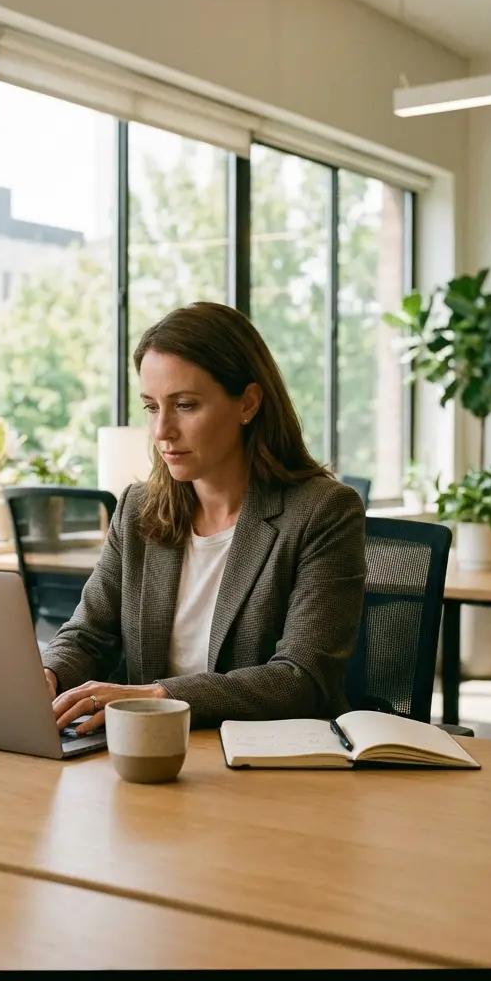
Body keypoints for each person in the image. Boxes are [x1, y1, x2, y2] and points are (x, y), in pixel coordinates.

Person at [42, 301, 366, 733]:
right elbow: (88, 635)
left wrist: (160, 697)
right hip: (152, 756)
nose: (162, 431)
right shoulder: (138, 509)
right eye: (152, 407)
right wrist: (46, 677)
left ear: (248, 403)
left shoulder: (322, 512)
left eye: (186, 405)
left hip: (271, 766)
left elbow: (302, 679)